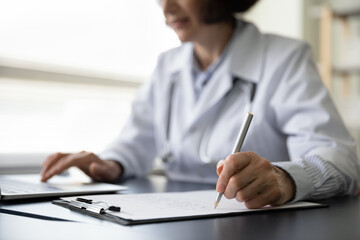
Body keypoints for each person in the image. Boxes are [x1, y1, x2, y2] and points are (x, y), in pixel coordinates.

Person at [41, 0, 360, 209]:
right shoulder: (168, 65)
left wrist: (285, 178)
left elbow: (341, 161)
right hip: (173, 218)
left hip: (256, 221)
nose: (166, 8)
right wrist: (112, 163)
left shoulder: (284, 58)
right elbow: (136, 140)